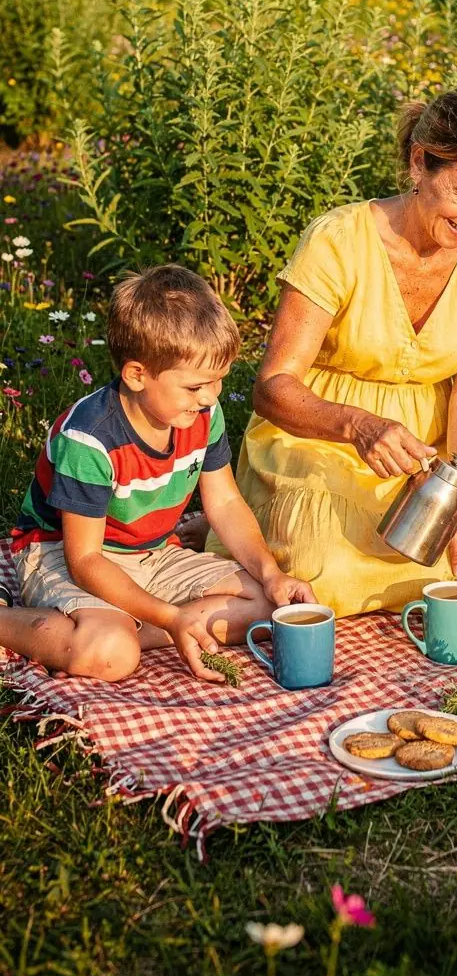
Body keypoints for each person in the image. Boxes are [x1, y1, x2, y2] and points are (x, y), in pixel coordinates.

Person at [205, 86, 457, 617]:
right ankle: (247, 514)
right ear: (419, 163)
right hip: (321, 438)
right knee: (327, 572)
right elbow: (273, 387)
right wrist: (357, 426)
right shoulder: (338, 240)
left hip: (422, 457)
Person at [0, 266, 315, 683]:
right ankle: (13, 621)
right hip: (65, 552)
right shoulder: (90, 439)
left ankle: (131, 626)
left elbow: (223, 502)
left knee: (269, 605)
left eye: (218, 382)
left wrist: (271, 572)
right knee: (109, 655)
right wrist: (170, 615)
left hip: (152, 552)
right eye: (195, 386)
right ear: (136, 374)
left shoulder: (204, 415)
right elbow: (86, 561)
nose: (210, 398)